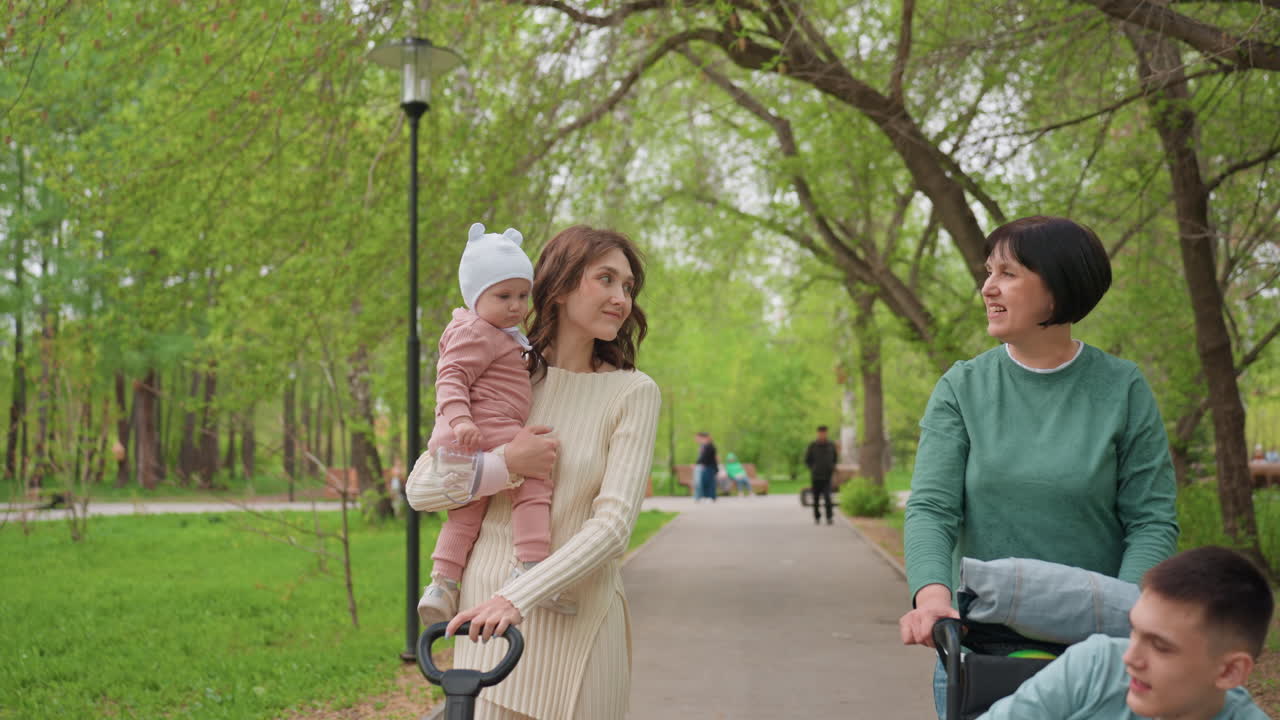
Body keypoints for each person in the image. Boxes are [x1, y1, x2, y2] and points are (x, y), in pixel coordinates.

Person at [897, 216, 1180, 718]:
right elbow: (932, 509)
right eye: (988, 272)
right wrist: (932, 597)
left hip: (1096, 653)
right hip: (980, 652)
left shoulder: (1122, 388)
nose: (987, 287)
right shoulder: (963, 388)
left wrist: (1130, 615)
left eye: (1007, 273)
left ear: (1057, 288)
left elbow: (1151, 519)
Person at [406, 225, 661, 720]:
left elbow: (612, 528)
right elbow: (422, 488)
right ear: (561, 287)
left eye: (628, 287)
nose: (621, 298)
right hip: (488, 629)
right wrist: (505, 466)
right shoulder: (503, 371)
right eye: (605, 280)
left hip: (577, 622)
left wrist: (517, 596)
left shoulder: (633, 393)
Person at [417, 223, 570, 627]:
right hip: (482, 428)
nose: (516, 306)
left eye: (523, 295)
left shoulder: (497, 333)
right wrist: (461, 419)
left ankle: (442, 583)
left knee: (465, 516)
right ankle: (532, 566)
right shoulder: (476, 332)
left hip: (469, 439)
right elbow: (449, 377)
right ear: (474, 295)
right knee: (535, 477)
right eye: (503, 296)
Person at [978, 546, 1272, 719]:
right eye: (1134, 630)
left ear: (1230, 671)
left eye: (1160, 646)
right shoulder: (1096, 665)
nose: (1130, 658)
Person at [804, 425, 838, 525]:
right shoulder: (813, 445)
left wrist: (832, 467)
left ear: (826, 433)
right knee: (816, 499)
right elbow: (807, 460)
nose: (822, 434)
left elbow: (835, 458)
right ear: (818, 433)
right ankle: (817, 517)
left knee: (828, 498)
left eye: (824, 433)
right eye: (821, 433)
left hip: (827, 477)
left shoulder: (831, 445)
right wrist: (813, 468)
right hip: (816, 477)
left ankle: (829, 517)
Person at [694, 431, 719, 503]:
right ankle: (706, 496)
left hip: (710, 466)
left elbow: (706, 457)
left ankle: (711, 497)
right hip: (706, 467)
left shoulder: (710, 446)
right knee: (705, 482)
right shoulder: (704, 446)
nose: (697, 440)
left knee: (710, 482)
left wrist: (699, 463)